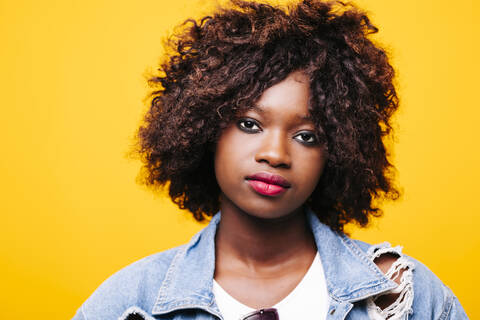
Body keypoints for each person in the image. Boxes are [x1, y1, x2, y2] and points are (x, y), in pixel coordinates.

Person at [72, 0, 468, 319]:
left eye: (306, 136)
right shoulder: (128, 304)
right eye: (249, 124)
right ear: (205, 128)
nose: (275, 154)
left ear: (338, 150)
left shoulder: (406, 297)